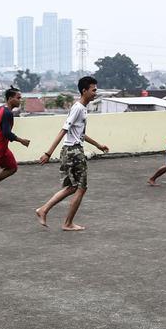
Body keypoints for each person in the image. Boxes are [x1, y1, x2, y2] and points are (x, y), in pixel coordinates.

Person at [35, 76, 108, 231]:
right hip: (74, 152)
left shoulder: (82, 108)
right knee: (81, 188)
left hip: (70, 151)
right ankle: (67, 223)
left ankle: (43, 210)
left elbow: (80, 134)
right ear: (84, 90)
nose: (95, 93)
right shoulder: (78, 108)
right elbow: (64, 130)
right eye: (93, 90)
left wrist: (98, 145)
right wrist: (48, 153)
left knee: (71, 187)